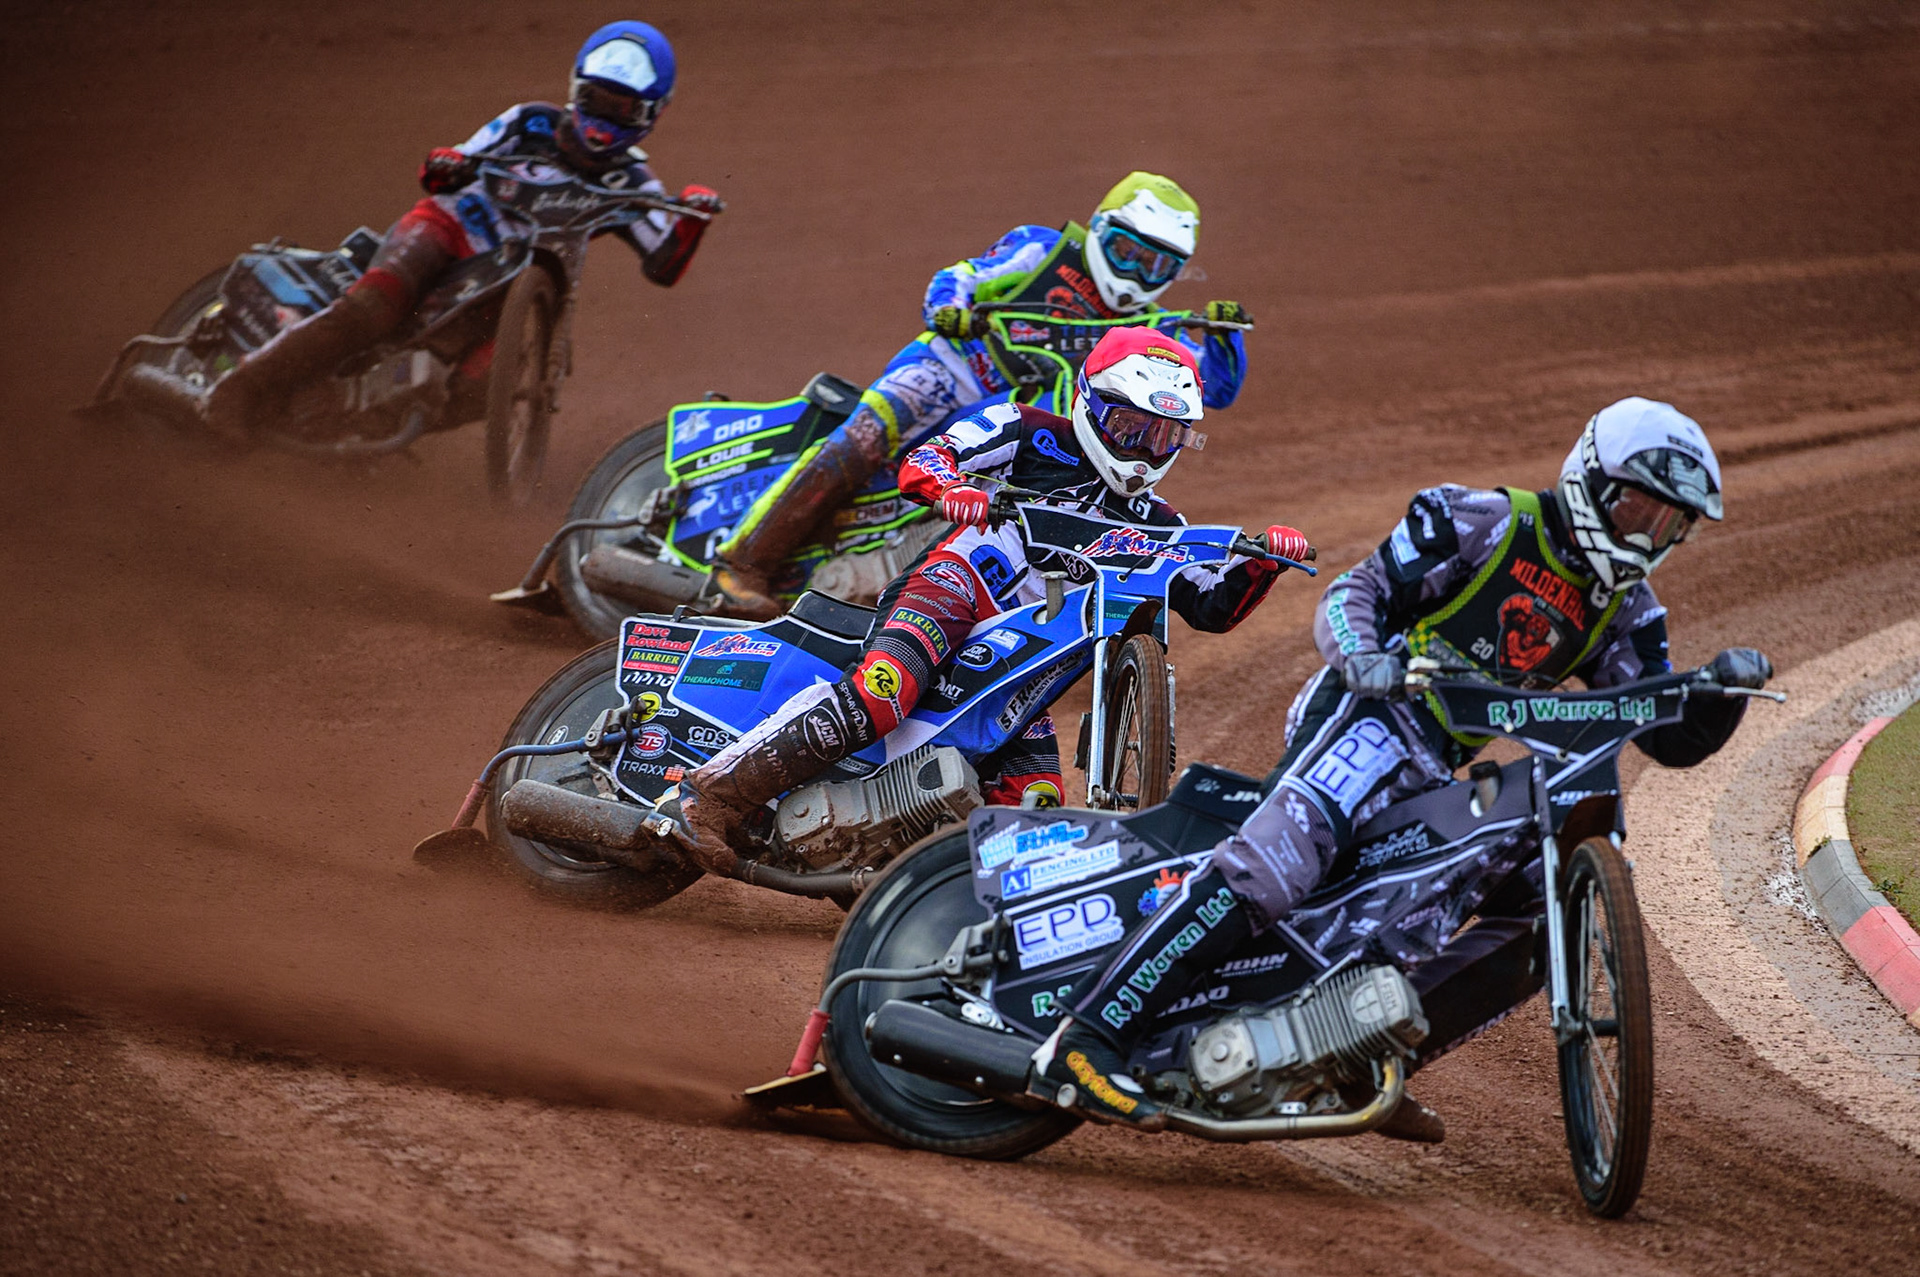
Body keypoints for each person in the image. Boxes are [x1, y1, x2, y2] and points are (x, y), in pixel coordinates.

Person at [1030, 395, 1775, 1135]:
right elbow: (1356, 591)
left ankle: (1359, 1059)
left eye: (1670, 523)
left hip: (1435, 764)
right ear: (1594, 482)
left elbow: (1666, 735)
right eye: (1639, 511)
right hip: (1363, 716)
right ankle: (1086, 1035)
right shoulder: (1483, 520)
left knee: (1529, 903)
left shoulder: (1627, 610)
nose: (1649, 535)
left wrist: (1719, 692)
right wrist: (1365, 660)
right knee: (1276, 868)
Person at [666, 325, 1310, 874]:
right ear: (1089, 401)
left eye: (1164, 436)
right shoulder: (1027, 430)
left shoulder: (1163, 525)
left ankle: (909, 889)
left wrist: (1264, 562)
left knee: (1036, 813)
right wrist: (953, 488)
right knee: (881, 696)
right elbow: (930, 459)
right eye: (1128, 426)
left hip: (1025, 664)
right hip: (955, 590)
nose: (1143, 451)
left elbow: (1213, 608)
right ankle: (708, 802)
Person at [708, 172, 1253, 620]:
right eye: (1126, 252)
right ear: (1098, 229)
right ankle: (744, 563)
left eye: (1156, 265)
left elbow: (1213, 390)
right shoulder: (1044, 250)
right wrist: (949, 310)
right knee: (865, 439)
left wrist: (1225, 338)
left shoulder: (1154, 328)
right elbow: (963, 276)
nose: (1135, 274)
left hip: (1014, 411)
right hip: (952, 368)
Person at [203, 21, 722, 441]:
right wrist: (450, 163)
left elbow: (664, 264)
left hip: (509, 287)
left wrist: (693, 219)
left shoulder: (630, 180)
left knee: (482, 387)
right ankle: (241, 389)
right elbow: (442, 172)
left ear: (651, 112)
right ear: (576, 89)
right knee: (377, 304)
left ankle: (362, 423)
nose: (604, 118)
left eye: (622, 107)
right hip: (450, 229)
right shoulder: (529, 123)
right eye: (597, 98)